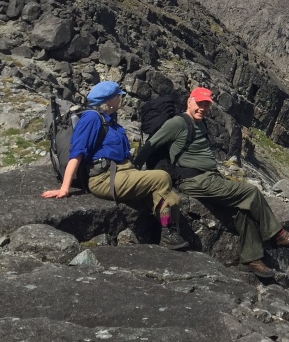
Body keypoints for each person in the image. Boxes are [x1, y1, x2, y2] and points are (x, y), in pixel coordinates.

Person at [135, 87, 289, 277]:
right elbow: (150, 145)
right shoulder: (177, 123)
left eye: (206, 104)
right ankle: (277, 235)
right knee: (251, 192)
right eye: (199, 103)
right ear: (189, 101)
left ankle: (251, 259)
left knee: (243, 209)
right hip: (193, 180)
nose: (203, 108)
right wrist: (135, 171)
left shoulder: (201, 123)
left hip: (209, 177)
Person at [43, 80, 188, 250]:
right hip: (104, 178)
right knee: (161, 177)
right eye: (118, 97)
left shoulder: (109, 119)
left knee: (172, 198)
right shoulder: (91, 118)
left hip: (123, 172)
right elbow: (77, 152)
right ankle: (168, 233)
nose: (120, 100)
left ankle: (168, 231)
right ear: (110, 101)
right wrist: (65, 188)